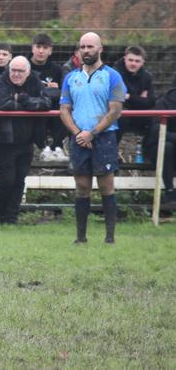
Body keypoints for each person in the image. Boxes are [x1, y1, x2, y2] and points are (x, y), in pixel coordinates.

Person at [60, 32, 126, 244]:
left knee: (106, 185)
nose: (86, 50)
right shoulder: (71, 78)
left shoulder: (113, 76)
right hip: (79, 138)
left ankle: (110, 238)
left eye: (90, 46)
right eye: (82, 46)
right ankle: (80, 238)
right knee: (82, 186)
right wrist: (79, 133)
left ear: (100, 49)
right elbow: (64, 110)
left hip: (104, 137)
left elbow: (115, 110)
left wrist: (93, 132)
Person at [0, 56, 51, 224]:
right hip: (5, 141)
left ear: (28, 72)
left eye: (20, 71)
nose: (16, 74)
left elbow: (46, 102)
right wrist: (28, 104)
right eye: (13, 71)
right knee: (7, 180)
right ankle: (0, 216)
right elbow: (1, 102)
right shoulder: (2, 81)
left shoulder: (35, 81)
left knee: (19, 181)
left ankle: (12, 218)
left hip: (28, 140)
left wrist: (23, 100)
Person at [28, 33, 68, 162]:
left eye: (45, 48)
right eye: (38, 46)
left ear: (50, 51)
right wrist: (43, 89)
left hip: (52, 106)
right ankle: (44, 148)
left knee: (64, 109)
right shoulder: (24, 66)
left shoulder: (56, 69)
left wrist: (55, 89)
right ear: (32, 48)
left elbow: (63, 93)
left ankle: (57, 147)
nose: (41, 51)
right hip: (32, 107)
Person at [113, 46, 155, 143]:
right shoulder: (114, 74)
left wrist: (129, 96)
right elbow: (117, 99)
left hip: (137, 115)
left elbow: (150, 102)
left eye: (137, 61)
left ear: (143, 62)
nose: (133, 63)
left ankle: (146, 153)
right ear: (125, 59)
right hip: (117, 115)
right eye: (130, 60)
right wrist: (139, 98)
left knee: (155, 120)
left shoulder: (146, 77)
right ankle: (111, 154)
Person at [143, 88, 176, 210]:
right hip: (156, 148)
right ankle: (169, 191)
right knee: (168, 147)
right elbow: (156, 131)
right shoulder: (163, 103)